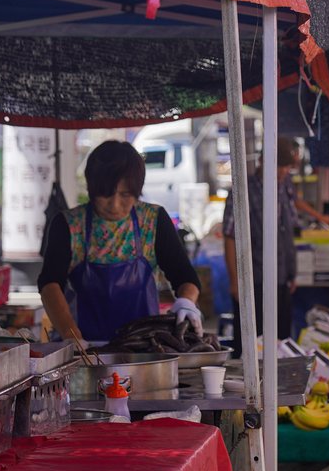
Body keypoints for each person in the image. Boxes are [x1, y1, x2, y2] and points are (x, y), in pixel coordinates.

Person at [40, 141, 201, 343]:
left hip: (144, 348)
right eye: (106, 194)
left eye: (125, 194)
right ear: (91, 188)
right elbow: (49, 284)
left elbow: (185, 277)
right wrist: (72, 337)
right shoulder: (69, 224)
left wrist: (186, 302)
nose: (115, 204)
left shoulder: (152, 220)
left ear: (137, 190)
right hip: (86, 347)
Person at [222, 137, 302, 356]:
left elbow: (287, 232)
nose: (283, 171)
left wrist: (292, 271)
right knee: (251, 346)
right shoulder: (243, 191)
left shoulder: (284, 186)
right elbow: (230, 237)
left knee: (280, 344)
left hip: (282, 277)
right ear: (262, 162)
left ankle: (279, 390)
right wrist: (235, 281)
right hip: (253, 279)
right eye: (279, 165)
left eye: (286, 167)